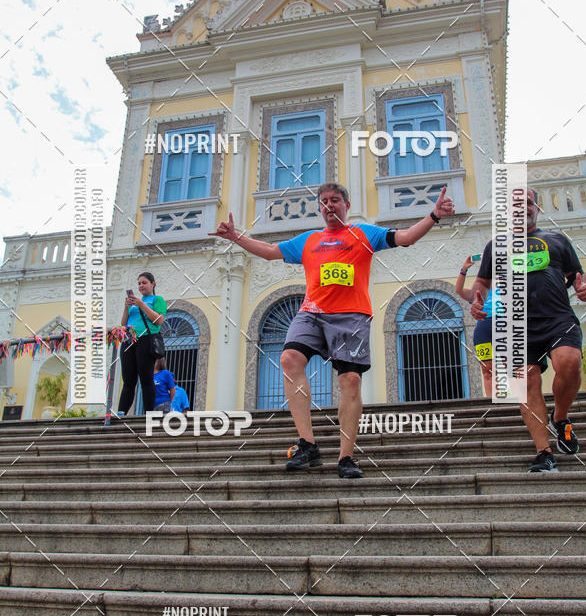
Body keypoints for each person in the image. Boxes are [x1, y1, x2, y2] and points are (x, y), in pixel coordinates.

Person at [211, 181, 455, 478]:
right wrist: (236, 237)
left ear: (346, 205)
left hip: (351, 316)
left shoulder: (364, 233)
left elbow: (405, 238)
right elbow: (270, 251)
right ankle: (307, 443)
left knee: (350, 380)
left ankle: (346, 457)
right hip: (312, 312)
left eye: (335, 200)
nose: (329, 205)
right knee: (289, 359)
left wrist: (434, 216)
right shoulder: (310, 240)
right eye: (324, 201)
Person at [470, 188, 586, 472]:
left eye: (526, 202)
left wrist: (582, 287)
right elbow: (482, 283)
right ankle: (544, 452)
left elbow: (577, 273)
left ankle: (560, 418)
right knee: (526, 384)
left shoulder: (557, 239)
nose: (520, 207)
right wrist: (476, 301)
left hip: (557, 318)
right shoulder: (496, 246)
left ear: (536, 207)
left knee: (569, 363)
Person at [117, 272, 167, 415]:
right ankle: (122, 412)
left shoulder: (157, 300)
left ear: (153, 283)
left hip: (146, 340)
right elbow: (123, 324)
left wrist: (141, 304)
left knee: (146, 379)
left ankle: (149, 412)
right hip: (129, 340)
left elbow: (158, 320)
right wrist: (127, 307)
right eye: (139, 283)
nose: (141, 286)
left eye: (144, 282)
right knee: (128, 380)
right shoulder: (134, 304)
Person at [455, 255, 496, 398]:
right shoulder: (478, 292)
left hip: (505, 326)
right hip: (483, 329)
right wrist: (464, 269)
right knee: (487, 369)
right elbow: (459, 290)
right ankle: (491, 402)